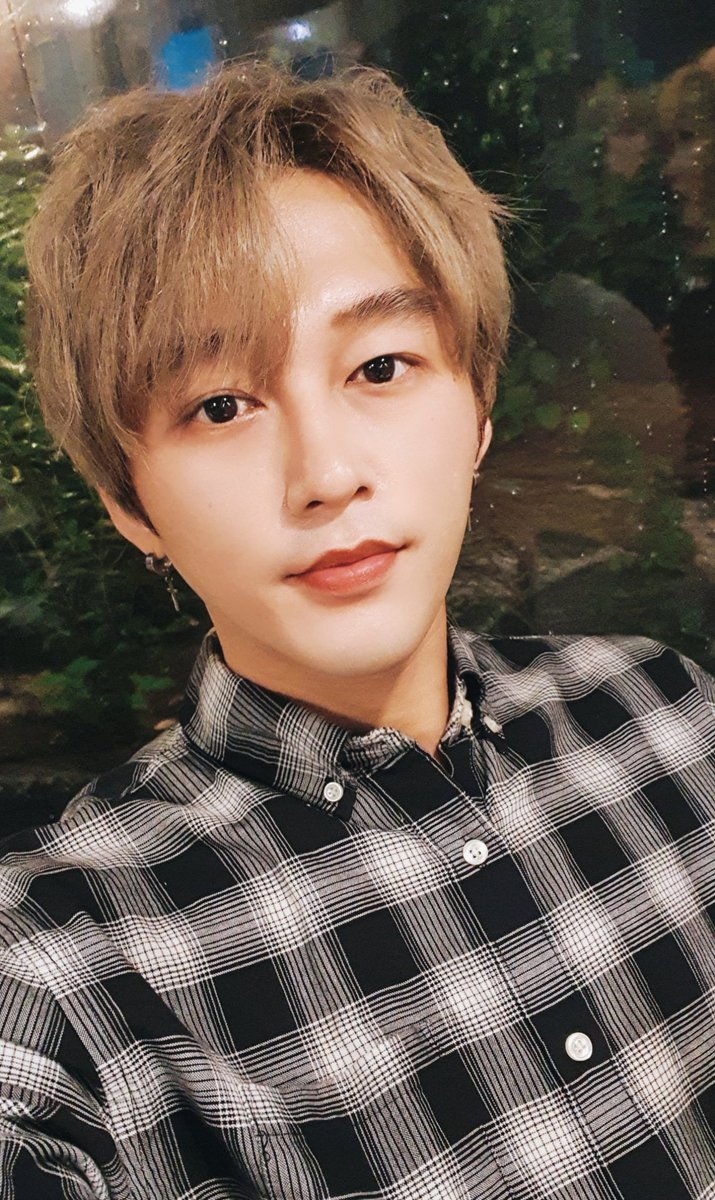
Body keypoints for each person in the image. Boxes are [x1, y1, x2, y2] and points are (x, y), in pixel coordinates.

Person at [1, 58, 714, 1200]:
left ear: (477, 408)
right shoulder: (63, 962)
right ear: (128, 503)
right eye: (221, 406)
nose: (327, 473)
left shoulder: (667, 718)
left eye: (382, 366)